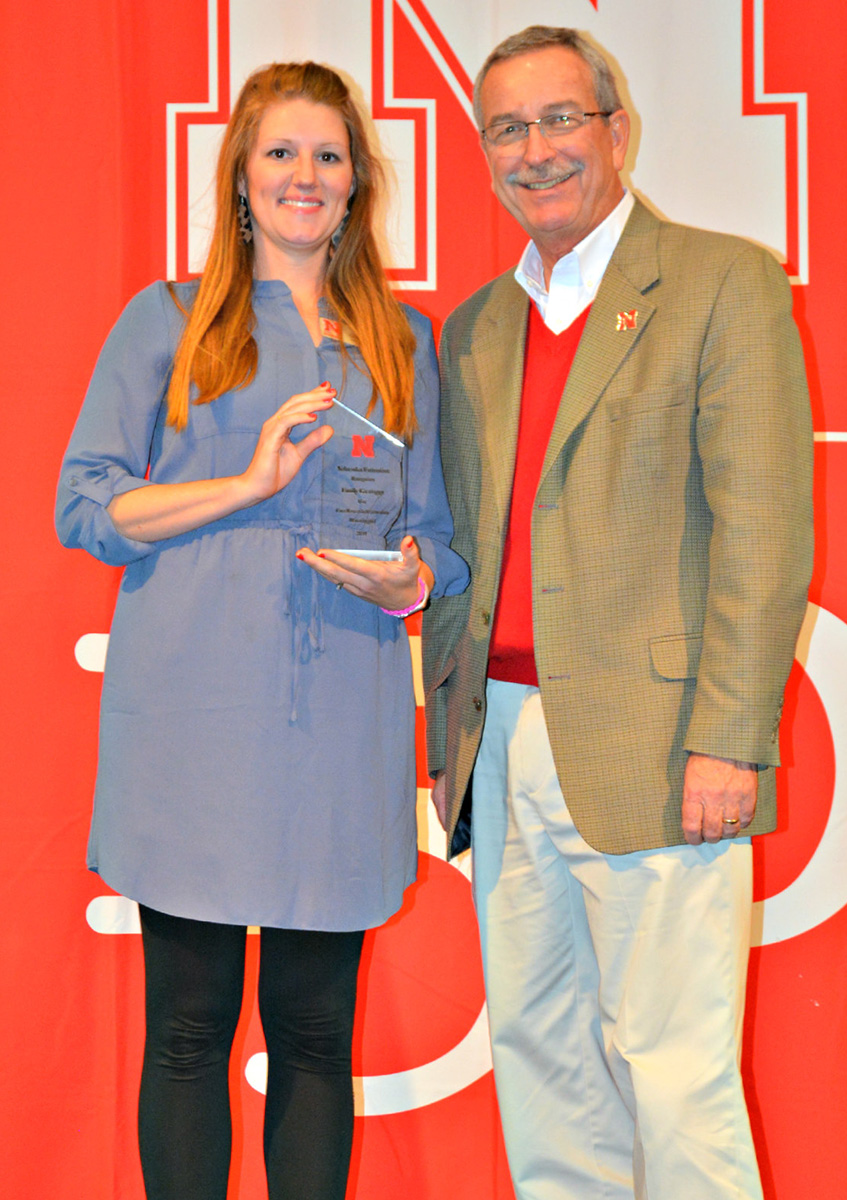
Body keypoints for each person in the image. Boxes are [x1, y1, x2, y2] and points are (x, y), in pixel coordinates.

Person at [56, 61, 468, 1200]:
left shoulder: (402, 342)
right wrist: (244, 484)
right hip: (189, 717)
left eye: (327, 155)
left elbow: (435, 536)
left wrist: (403, 585)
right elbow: (84, 506)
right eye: (280, 152)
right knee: (186, 1030)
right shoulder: (170, 319)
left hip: (339, 714)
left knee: (314, 1035)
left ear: (356, 184)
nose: (305, 175)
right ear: (240, 176)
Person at [422, 25, 813, 1200]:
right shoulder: (476, 325)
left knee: (675, 1075)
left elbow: (763, 529)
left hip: (659, 749)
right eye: (506, 128)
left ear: (616, 130)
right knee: (541, 1068)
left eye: (558, 120)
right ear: (483, 149)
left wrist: (729, 739)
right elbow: (468, 547)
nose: (534, 151)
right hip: (498, 743)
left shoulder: (719, 282)